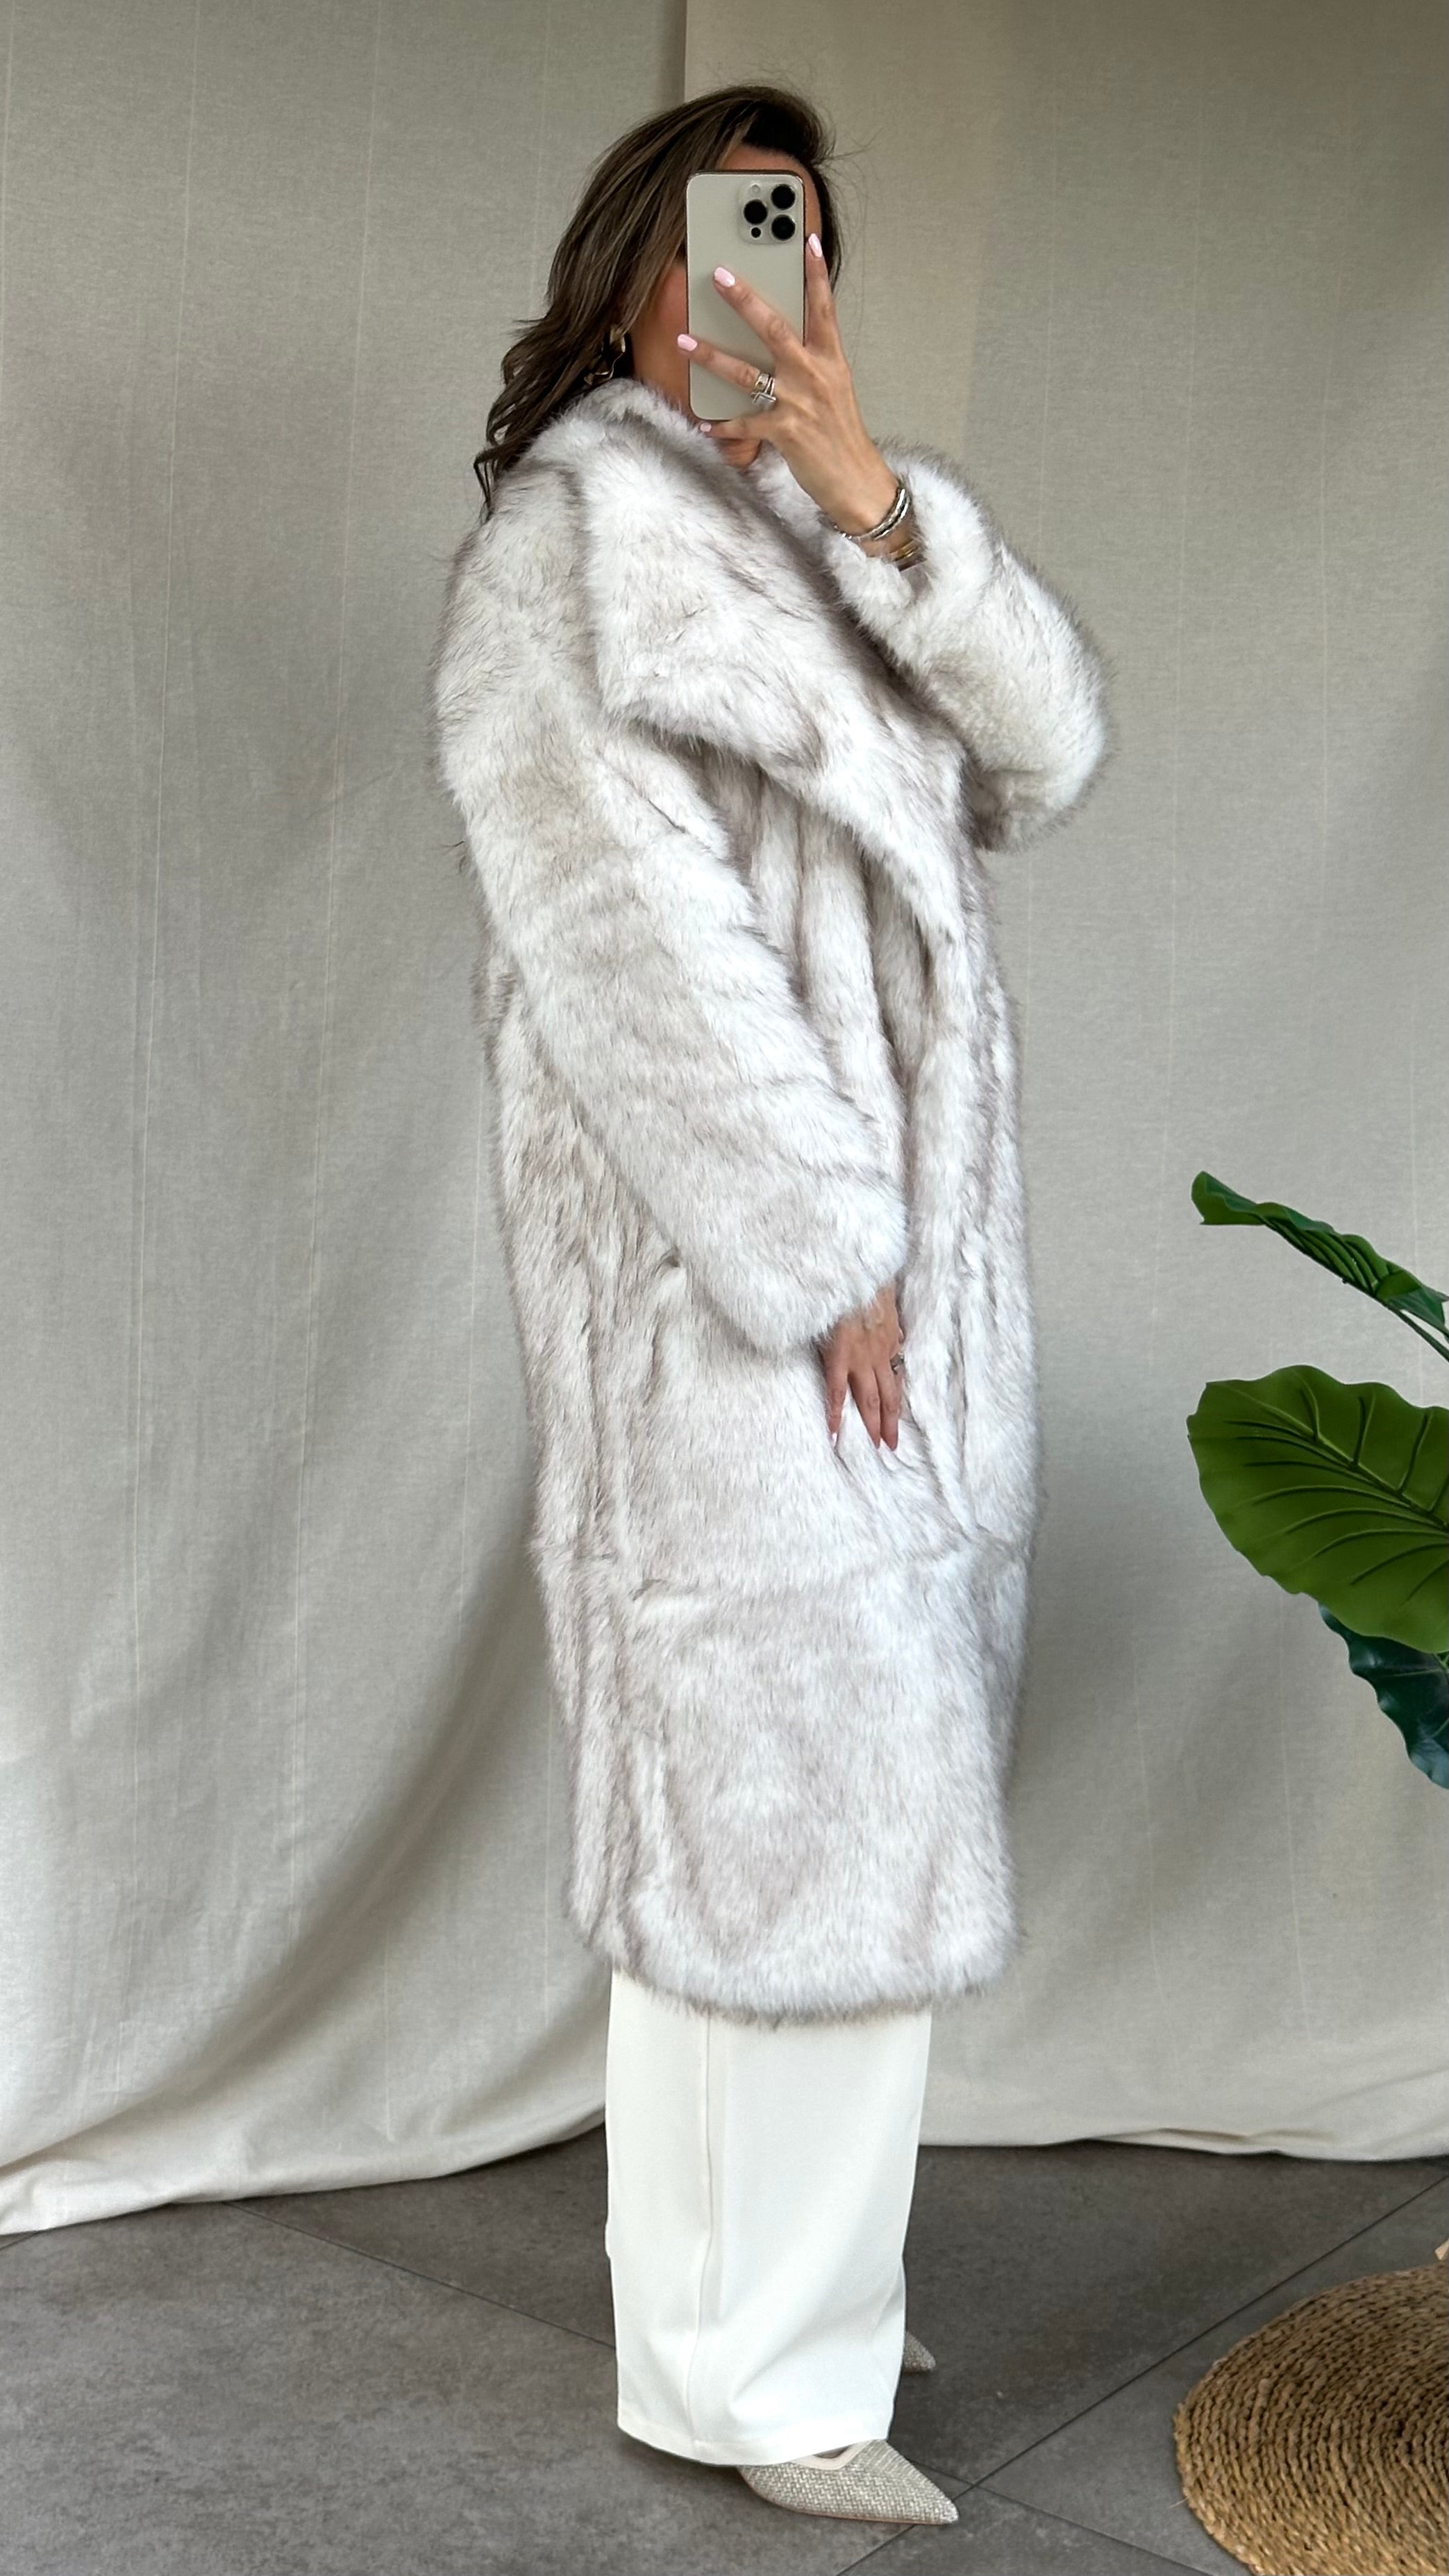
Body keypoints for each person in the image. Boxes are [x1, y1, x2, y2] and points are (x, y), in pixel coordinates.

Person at [429, 83, 1109, 2530]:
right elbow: (628, 939)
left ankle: (772, 2312)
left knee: (831, 1800)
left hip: (900, 1277)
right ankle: (766, 2378)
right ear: (642, 268)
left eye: (805, 237)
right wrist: (824, 1252)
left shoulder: (835, 526)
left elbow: (1046, 750)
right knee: (781, 1809)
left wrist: (884, 510)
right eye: (738, 230)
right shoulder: (568, 553)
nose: (776, 275)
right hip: (741, 1283)